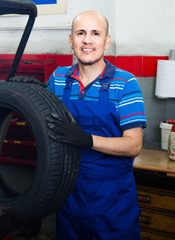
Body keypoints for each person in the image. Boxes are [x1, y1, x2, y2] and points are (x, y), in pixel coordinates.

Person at [46, 10, 146, 239]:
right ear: (71, 41)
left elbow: (134, 145)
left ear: (106, 41)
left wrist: (87, 140)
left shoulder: (126, 83)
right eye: (80, 33)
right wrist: (25, 91)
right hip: (69, 198)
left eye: (95, 33)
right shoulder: (58, 79)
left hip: (113, 204)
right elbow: (43, 122)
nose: (87, 40)